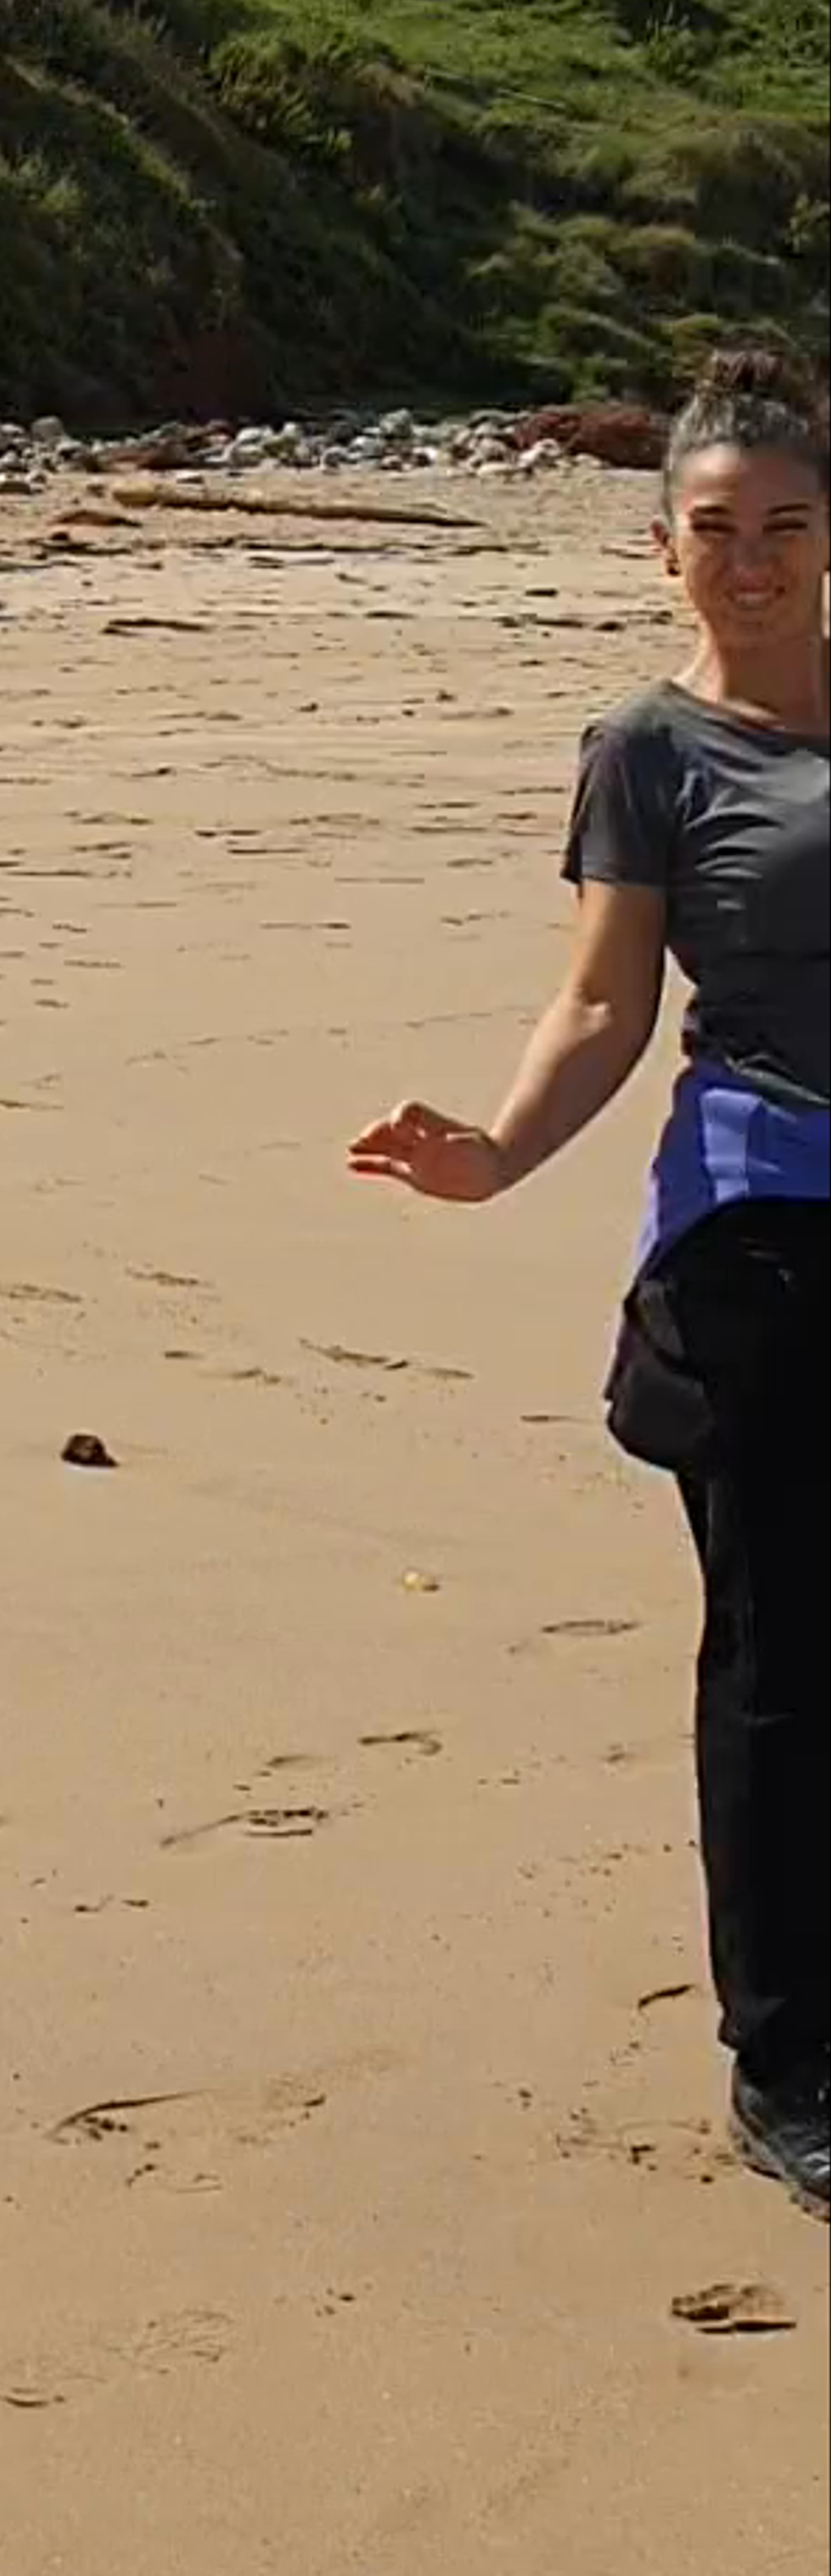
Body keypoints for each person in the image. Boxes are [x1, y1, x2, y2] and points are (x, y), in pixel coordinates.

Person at [349, 343, 829, 2213]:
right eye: (718, 530)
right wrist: (495, 1145)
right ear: (663, 549)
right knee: (785, 1663)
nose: (755, 561)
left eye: (786, 525)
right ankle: (788, 2061)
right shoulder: (652, 749)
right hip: (765, 1221)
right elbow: (608, 1000)